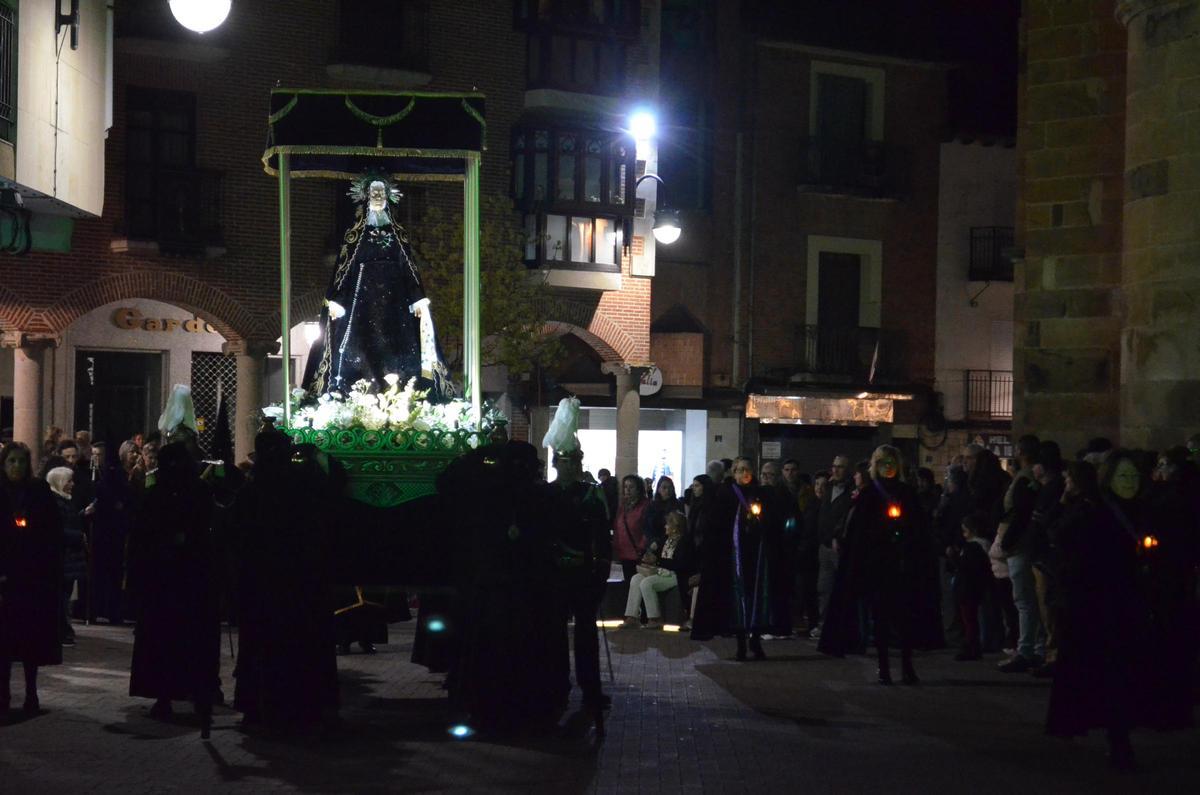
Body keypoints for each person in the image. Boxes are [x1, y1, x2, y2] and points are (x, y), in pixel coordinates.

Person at [303, 173, 454, 399]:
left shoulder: (398, 236)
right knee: (360, 347)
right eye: (373, 192)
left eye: (381, 192)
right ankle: (357, 392)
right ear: (365, 196)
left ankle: (401, 393)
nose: (377, 196)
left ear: (388, 196)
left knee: (398, 347)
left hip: (396, 302)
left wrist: (418, 297)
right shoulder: (355, 236)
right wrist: (337, 298)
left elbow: (409, 268)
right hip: (361, 301)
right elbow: (345, 269)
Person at [232, 430, 339, 730]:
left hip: (268, 582)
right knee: (294, 644)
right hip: (294, 581)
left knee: (264, 646)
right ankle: (299, 707)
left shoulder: (255, 489)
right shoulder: (301, 484)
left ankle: (262, 707)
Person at [1045, 458, 1146, 771]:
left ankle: (1094, 729)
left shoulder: (1087, 513)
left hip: (1088, 602)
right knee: (1114, 671)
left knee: (1092, 667)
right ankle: (1117, 737)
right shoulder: (1121, 512)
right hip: (1118, 601)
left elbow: (1058, 535)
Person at [126, 442, 220, 734]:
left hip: (189, 582)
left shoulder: (197, 494)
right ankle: (165, 694)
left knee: (189, 640)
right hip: (164, 583)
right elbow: (142, 539)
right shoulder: (156, 497)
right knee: (165, 641)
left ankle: (193, 692)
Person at [690, 457, 783, 661]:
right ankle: (741, 644)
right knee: (738, 601)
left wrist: (760, 520)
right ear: (733, 472)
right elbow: (715, 526)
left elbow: (775, 522)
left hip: (757, 558)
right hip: (735, 559)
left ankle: (756, 641)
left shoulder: (761, 493)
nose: (744, 474)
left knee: (757, 599)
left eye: (747, 469)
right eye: (739, 470)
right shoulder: (725, 494)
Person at [548, 444, 612, 716]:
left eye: (573, 461)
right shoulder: (547, 494)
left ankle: (591, 689)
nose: (569, 467)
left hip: (584, 573)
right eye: (563, 461)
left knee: (586, 636)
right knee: (554, 636)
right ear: (556, 464)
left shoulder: (591, 494)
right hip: (555, 574)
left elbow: (601, 535)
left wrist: (603, 570)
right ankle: (556, 687)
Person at [1, 443, 63, 718]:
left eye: (21, 461)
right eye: (11, 461)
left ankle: (31, 692)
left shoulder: (38, 492)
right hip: (5, 575)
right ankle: (3, 695)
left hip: (32, 575)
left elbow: (52, 532)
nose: (16, 467)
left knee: (30, 640)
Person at [1143, 446, 1199, 730]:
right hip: (1179, 576)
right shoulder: (1184, 497)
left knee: (1168, 642)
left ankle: (1167, 708)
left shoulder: (1170, 499)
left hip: (1169, 577)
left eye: (1164, 465)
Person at [997, 434, 1044, 673]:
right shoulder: (1032, 479)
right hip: (1025, 545)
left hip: (1020, 546)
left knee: (1024, 600)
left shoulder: (1024, 480)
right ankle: (1036, 647)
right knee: (1030, 600)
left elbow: (1021, 513)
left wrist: (1007, 541)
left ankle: (1028, 649)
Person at [813, 455, 853, 640]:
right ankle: (824, 625)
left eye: (840, 467)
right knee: (824, 588)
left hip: (840, 547)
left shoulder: (851, 492)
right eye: (834, 466)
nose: (835, 470)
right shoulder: (829, 489)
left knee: (842, 589)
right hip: (825, 546)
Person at [46, 467, 87, 646]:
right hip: (63, 557)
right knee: (61, 597)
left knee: (65, 595)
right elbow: (57, 531)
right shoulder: (55, 502)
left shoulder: (65, 501)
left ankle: (63, 629)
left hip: (69, 558)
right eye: (68, 481)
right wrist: (78, 536)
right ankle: (62, 630)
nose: (72, 484)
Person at [623, 511, 685, 629]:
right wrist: (650, 558)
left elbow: (678, 563)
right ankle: (632, 616)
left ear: (675, 527)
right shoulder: (664, 540)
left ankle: (654, 618)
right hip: (661, 572)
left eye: (668, 524)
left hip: (673, 575)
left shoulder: (683, 542)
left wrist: (658, 563)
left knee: (647, 583)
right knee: (636, 578)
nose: (665, 526)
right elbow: (657, 556)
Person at [950, 513, 992, 661]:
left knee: (970, 620)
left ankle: (972, 646)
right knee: (973, 618)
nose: (963, 535)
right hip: (974, 587)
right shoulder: (982, 545)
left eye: (965, 531)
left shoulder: (972, 547)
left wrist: (954, 557)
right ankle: (976, 644)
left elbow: (965, 567)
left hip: (968, 588)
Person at [613, 475, 651, 585]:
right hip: (624, 553)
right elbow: (617, 528)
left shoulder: (645, 506)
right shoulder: (622, 507)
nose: (628, 490)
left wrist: (642, 547)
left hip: (638, 554)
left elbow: (647, 529)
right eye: (625, 487)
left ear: (638, 489)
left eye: (631, 487)